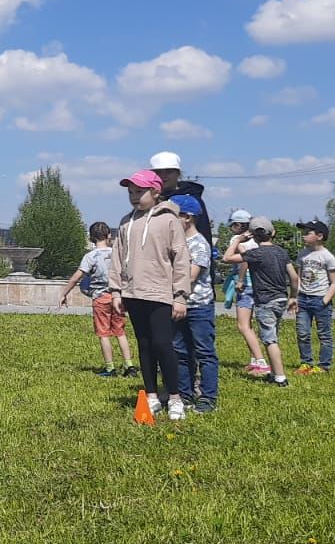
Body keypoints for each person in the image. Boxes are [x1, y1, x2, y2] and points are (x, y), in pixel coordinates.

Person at [112, 170, 191, 421]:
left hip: (160, 293)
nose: (135, 197)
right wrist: (116, 290)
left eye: (140, 192)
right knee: (144, 345)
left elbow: (180, 258)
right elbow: (116, 257)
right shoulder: (126, 222)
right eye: (131, 193)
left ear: (156, 192)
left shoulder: (169, 220)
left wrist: (180, 295)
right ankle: (152, 395)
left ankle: (176, 397)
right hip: (133, 292)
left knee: (162, 344)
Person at [224, 216, 294, 387]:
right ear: (274, 233)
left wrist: (239, 240)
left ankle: (280, 377)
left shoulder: (255, 254)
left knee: (270, 340)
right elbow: (294, 276)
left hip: (265, 300)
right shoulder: (282, 253)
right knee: (272, 335)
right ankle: (274, 372)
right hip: (281, 298)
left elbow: (227, 258)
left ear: (253, 237)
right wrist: (293, 296)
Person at [59, 221, 136, 378]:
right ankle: (130, 366)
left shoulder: (90, 256)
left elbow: (76, 278)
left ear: (92, 238)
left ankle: (110, 368)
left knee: (104, 333)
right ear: (109, 236)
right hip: (118, 298)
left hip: (100, 298)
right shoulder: (117, 254)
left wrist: (64, 293)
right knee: (120, 332)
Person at [169, 195, 219, 413]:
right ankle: (185, 394)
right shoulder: (175, 242)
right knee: (180, 351)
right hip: (178, 304)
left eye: (173, 216)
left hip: (198, 306)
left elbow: (190, 276)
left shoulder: (199, 244)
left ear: (187, 217)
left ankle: (208, 397)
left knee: (204, 352)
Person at [221, 209, 267, 377]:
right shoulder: (255, 239)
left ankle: (261, 363)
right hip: (257, 284)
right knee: (249, 325)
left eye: (232, 225)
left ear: (238, 225)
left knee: (242, 325)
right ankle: (254, 360)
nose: (230, 229)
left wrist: (240, 280)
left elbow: (245, 259)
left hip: (245, 284)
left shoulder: (238, 239)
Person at [294, 219, 335, 374]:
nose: (304, 236)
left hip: (320, 300)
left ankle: (323, 366)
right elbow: (298, 277)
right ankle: (306, 362)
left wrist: (324, 300)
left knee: (324, 335)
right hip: (303, 299)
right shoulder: (302, 254)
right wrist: (295, 296)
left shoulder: (328, 257)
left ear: (319, 236)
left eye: (307, 233)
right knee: (303, 332)